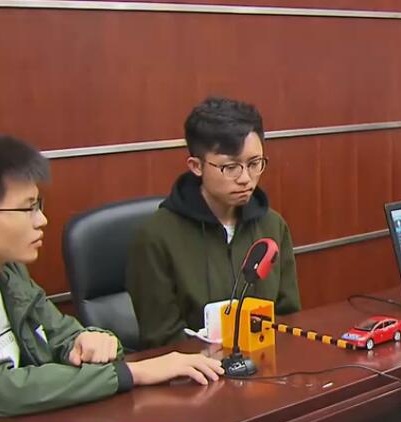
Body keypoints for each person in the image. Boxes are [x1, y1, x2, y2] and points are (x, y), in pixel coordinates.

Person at [0, 134, 223, 418]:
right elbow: (0, 389)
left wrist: (93, 339)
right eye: (28, 208)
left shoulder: (8, 275)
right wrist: (134, 372)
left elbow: (65, 335)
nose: (41, 220)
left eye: (38, 206)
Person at [127, 97, 300, 349]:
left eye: (254, 164)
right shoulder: (156, 237)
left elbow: (287, 318)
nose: (246, 178)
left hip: (266, 362)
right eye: (231, 167)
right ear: (196, 166)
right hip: (193, 368)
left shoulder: (272, 226)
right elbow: (162, 339)